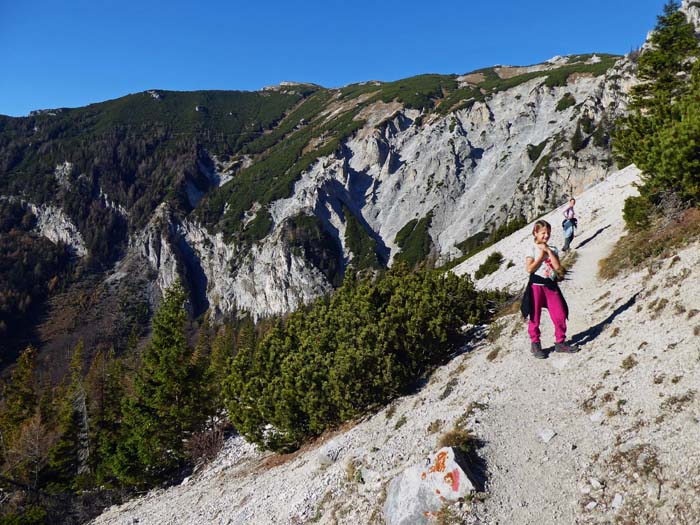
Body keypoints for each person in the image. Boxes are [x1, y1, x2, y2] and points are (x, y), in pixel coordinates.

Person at [520, 220, 579, 359]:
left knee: (559, 313)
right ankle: (535, 344)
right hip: (536, 286)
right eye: (543, 233)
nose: (546, 236)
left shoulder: (553, 248)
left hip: (551, 285)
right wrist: (540, 257)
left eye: (548, 233)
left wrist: (548, 251)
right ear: (535, 233)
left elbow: (558, 267)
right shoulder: (531, 248)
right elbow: (529, 269)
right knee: (534, 316)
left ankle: (560, 342)